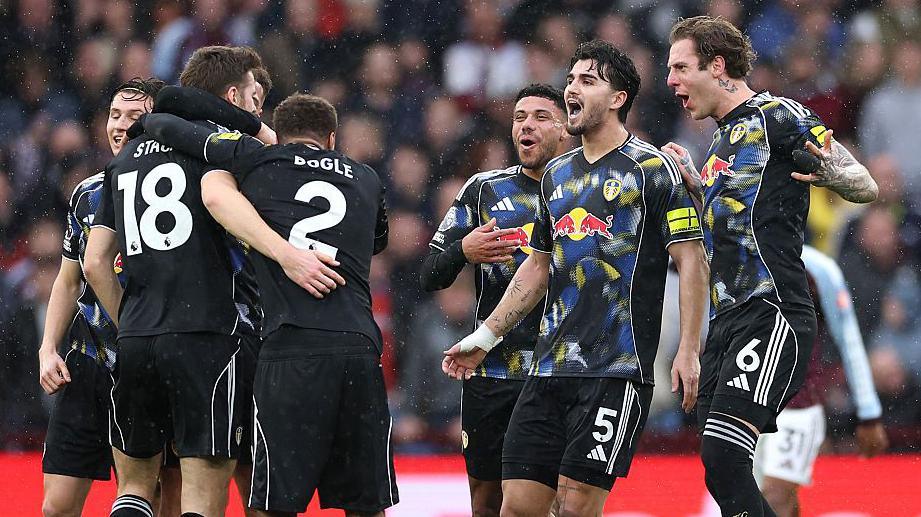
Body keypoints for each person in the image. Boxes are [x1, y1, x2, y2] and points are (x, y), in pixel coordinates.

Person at [443, 40, 709, 517]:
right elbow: (539, 265)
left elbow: (691, 259)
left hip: (616, 370)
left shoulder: (652, 169)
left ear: (617, 97)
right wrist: (485, 336)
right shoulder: (556, 176)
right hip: (548, 369)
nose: (572, 89)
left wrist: (688, 350)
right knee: (518, 506)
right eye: (570, 80)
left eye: (587, 81)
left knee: (572, 508)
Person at [133, 93, 395, 517]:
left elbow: (168, 126)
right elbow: (378, 240)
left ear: (279, 130)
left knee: (274, 501)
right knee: (365, 503)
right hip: (358, 349)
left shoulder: (258, 160)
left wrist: (257, 134)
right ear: (331, 137)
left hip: (290, 348)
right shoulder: (365, 177)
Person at [662, 16, 878, 517]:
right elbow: (734, 224)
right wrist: (699, 189)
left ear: (717, 66)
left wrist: (829, 171)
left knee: (726, 455)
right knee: (719, 467)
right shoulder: (719, 143)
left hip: (771, 310)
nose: (670, 81)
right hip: (728, 320)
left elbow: (863, 183)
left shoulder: (776, 115)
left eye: (680, 67)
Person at [84, 46, 275, 517]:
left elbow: (95, 261)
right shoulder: (217, 148)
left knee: (133, 487)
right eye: (253, 96)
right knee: (201, 492)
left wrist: (129, 318)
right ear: (230, 94)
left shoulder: (125, 158)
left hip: (137, 337)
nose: (256, 106)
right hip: (208, 335)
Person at [420, 83, 569, 516]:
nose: (527, 124)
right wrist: (463, 251)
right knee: (486, 499)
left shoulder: (589, 189)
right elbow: (430, 275)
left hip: (562, 368)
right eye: (520, 117)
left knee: (558, 501)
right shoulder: (484, 190)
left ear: (566, 128)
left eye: (541, 116)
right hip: (494, 371)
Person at [38, 77, 164, 517]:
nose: (120, 125)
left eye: (134, 116)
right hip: (88, 362)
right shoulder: (88, 193)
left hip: (147, 365)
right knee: (57, 506)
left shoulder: (175, 192)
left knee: (147, 497)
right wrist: (47, 348)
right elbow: (69, 279)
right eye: (114, 115)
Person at [754, 245, 888, 517]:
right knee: (758, 501)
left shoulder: (819, 268)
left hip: (798, 403)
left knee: (774, 497)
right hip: (747, 400)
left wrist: (869, 413)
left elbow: (847, 338)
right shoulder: (737, 256)